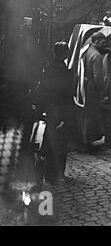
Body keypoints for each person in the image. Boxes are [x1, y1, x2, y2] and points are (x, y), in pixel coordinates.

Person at [40, 42, 73, 184]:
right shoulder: (62, 70)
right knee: (60, 144)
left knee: (49, 142)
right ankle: (58, 174)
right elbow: (65, 92)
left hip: (50, 109)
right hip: (60, 111)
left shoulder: (48, 67)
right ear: (65, 52)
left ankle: (48, 174)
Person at [77, 32, 106, 151]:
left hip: (84, 87)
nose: (104, 45)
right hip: (93, 90)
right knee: (91, 116)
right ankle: (86, 142)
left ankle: (84, 140)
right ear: (97, 41)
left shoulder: (86, 51)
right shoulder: (97, 55)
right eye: (103, 42)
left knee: (86, 115)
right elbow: (98, 77)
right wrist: (103, 92)